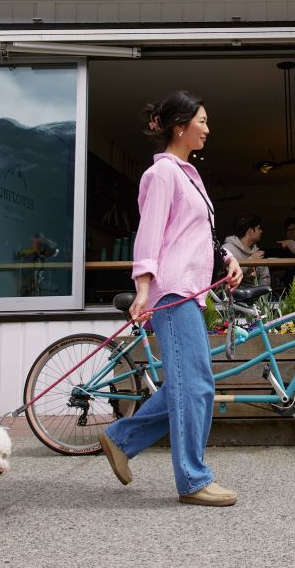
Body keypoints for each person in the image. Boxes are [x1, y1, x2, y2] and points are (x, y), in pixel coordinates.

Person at [99, 90, 243, 507]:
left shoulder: (188, 174)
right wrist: (143, 286)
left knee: (186, 384)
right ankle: (193, 480)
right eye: (202, 120)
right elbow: (151, 233)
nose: (207, 128)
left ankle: (120, 439)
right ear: (180, 126)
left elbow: (196, 236)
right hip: (171, 291)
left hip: (189, 291)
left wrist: (228, 260)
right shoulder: (161, 174)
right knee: (196, 385)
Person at [223, 215, 270, 289]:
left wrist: (261, 293)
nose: (261, 231)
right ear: (250, 231)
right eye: (259, 228)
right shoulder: (227, 249)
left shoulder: (257, 252)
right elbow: (232, 276)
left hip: (256, 295)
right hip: (234, 293)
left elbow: (265, 277)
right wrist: (251, 260)